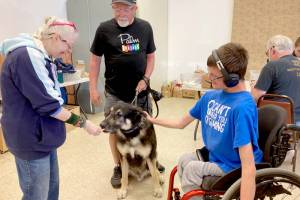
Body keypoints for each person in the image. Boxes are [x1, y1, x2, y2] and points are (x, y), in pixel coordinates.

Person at [0, 17, 102, 200]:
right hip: (30, 138)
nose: (68, 51)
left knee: (51, 188)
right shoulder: (26, 56)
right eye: (68, 45)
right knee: (36, 194)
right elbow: (50, 107)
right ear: (55, 37)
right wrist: (84, 124)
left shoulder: (43, 56)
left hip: (44, 136)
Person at [147, 43, 263, 199]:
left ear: (232, 78)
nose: (210, 79)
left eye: (214, 76)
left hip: (233, 165)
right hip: (217, 155)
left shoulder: (242, 107)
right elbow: (181, 123)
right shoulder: (211, 96)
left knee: (191, 170)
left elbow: (248, 166)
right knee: (183, 160)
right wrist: (151, 120)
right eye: (210, 74)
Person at [89, 0, 164, 188]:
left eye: (126, 8)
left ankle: (150, 159)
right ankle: (118, 165)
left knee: (146, 127)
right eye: (117, 7)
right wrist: (92, 87)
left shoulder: (145, 27)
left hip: (140, 91)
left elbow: (151, 57)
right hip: (114, 92)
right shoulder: (103, 29)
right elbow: (95, 61)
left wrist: (146, 78)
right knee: (114, 129)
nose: (121, 12)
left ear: (135, 8)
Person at [252, 35, 300, 125]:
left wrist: (254, 86)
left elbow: (256, 97)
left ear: (272, 50)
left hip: (280, 123)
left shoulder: (271, 66)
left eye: (267, 53)